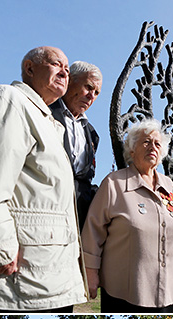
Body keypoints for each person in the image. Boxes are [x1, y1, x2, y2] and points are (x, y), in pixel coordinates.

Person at [0, 46, 87, 312]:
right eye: (57, 64)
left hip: (45, 274)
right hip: (12, 276)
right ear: (29, 68)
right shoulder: (8, 99)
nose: (64, 72)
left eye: (68, 70)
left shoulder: (49, 122)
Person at [82, 117, 173, 311]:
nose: (153, 147)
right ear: (132, 150)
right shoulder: (114, 184)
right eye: (146, 142)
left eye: (157, 144)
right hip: (125, 292)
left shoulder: (170, 186)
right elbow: (93, 231)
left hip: (172, 292)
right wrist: (91, 271)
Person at [51, 60, 102, 229]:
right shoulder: (43, 111)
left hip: (75, 223)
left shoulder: (93, 135)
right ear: (70, 80)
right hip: (43, 213)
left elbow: (84, 182)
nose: (91, 96)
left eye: (96, 93)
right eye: (88, 87)